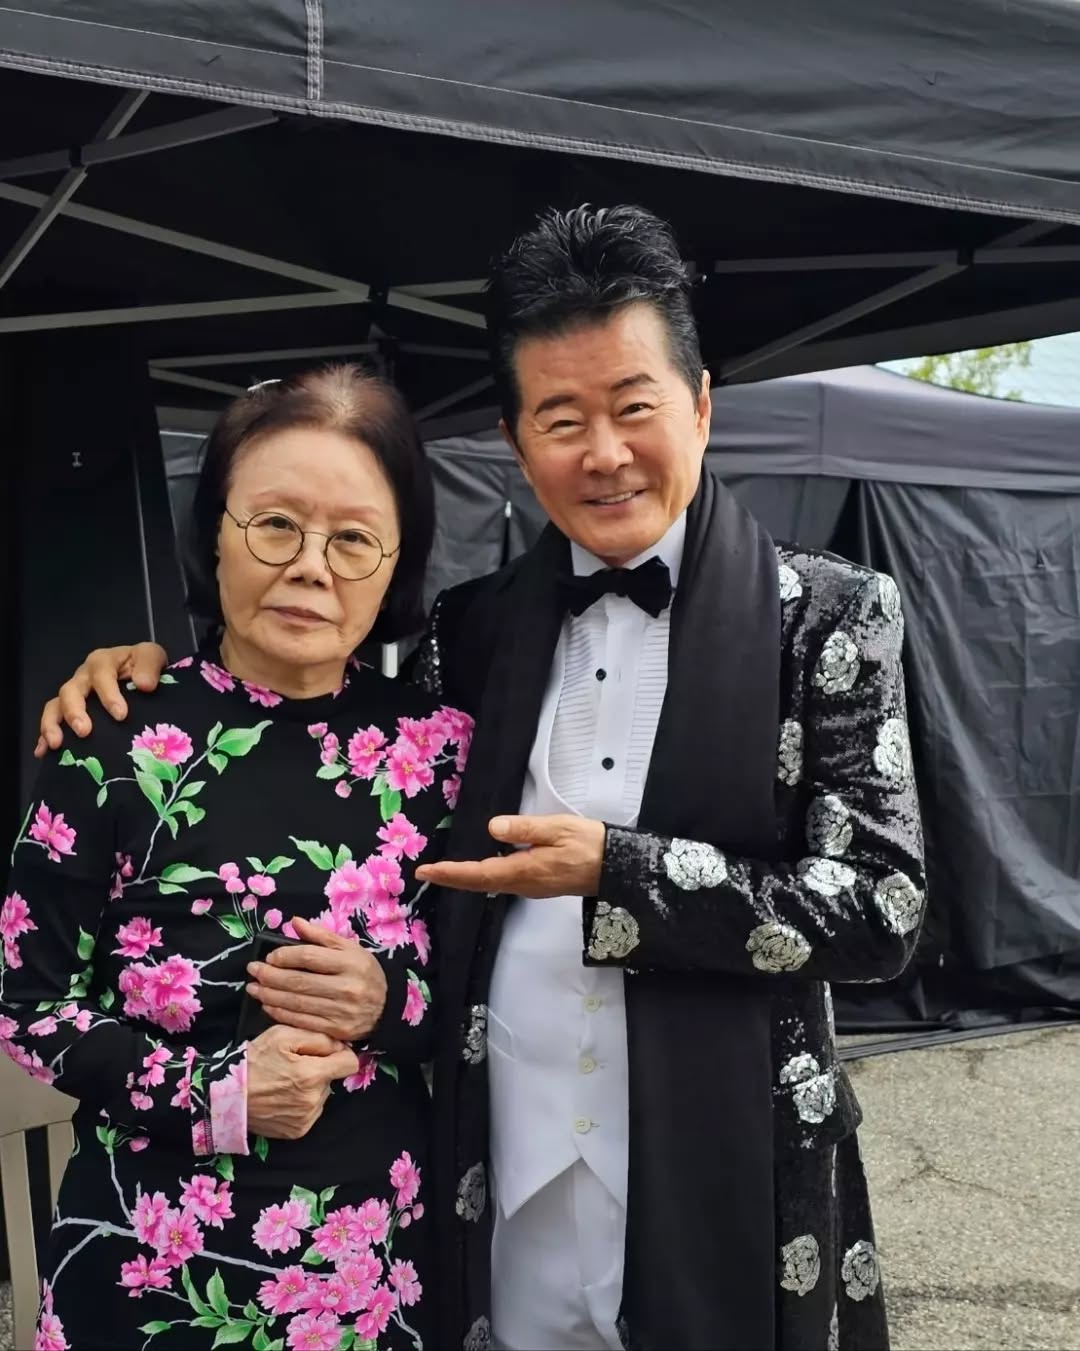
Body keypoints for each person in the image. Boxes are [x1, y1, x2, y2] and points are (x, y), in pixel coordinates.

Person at [36, 205, 925, 1351]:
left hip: (724, 1174)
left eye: (634, 407)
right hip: (497, 1174)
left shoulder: (831, 617)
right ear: (514, 438)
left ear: (701, 405)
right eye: (561, 418)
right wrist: (146, 675)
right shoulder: (472, 632)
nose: (604, 452)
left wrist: (620, 872)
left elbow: (885, 909)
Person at [7, 365, 472, 1350]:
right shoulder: (111, 738)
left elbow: (497, 1002)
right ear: (213, 531)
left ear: (397, 563)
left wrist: (390, 1001)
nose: (310, 566)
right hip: (142, 1263)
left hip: (372, 1273)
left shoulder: (445, 755)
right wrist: (217, 1096)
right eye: (274, 524)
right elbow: (27, 1002)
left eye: (353, 538)